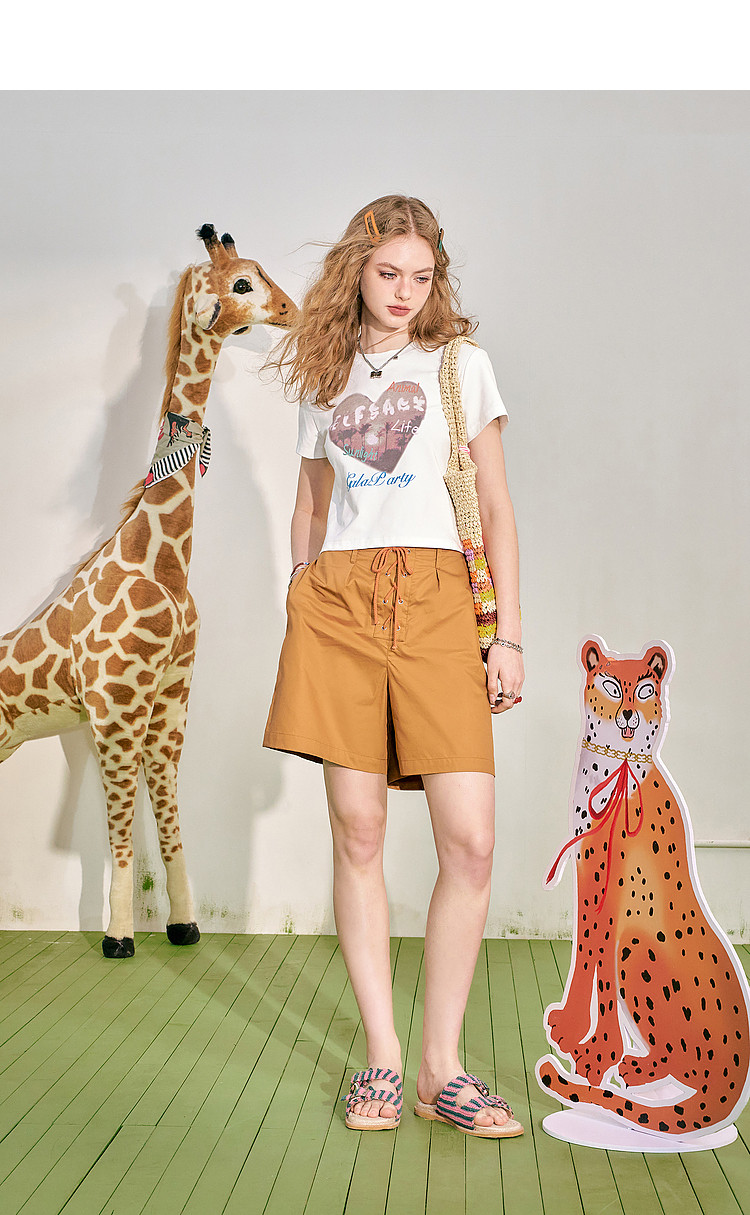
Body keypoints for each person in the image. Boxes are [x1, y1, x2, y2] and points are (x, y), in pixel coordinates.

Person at [263, 195, 524, 1138]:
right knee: (360, 830)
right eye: (388, 273)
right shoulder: (327, 372)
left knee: (471, 840)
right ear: (357, 270)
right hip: (339, 602)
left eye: (422, 275)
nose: (406, 292)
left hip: (441, 599)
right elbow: (310, 501)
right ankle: (383, 1057)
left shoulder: (461, 365)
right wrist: (300, 589)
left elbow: (496, 505)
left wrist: (508, 633)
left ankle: (440, 1067)